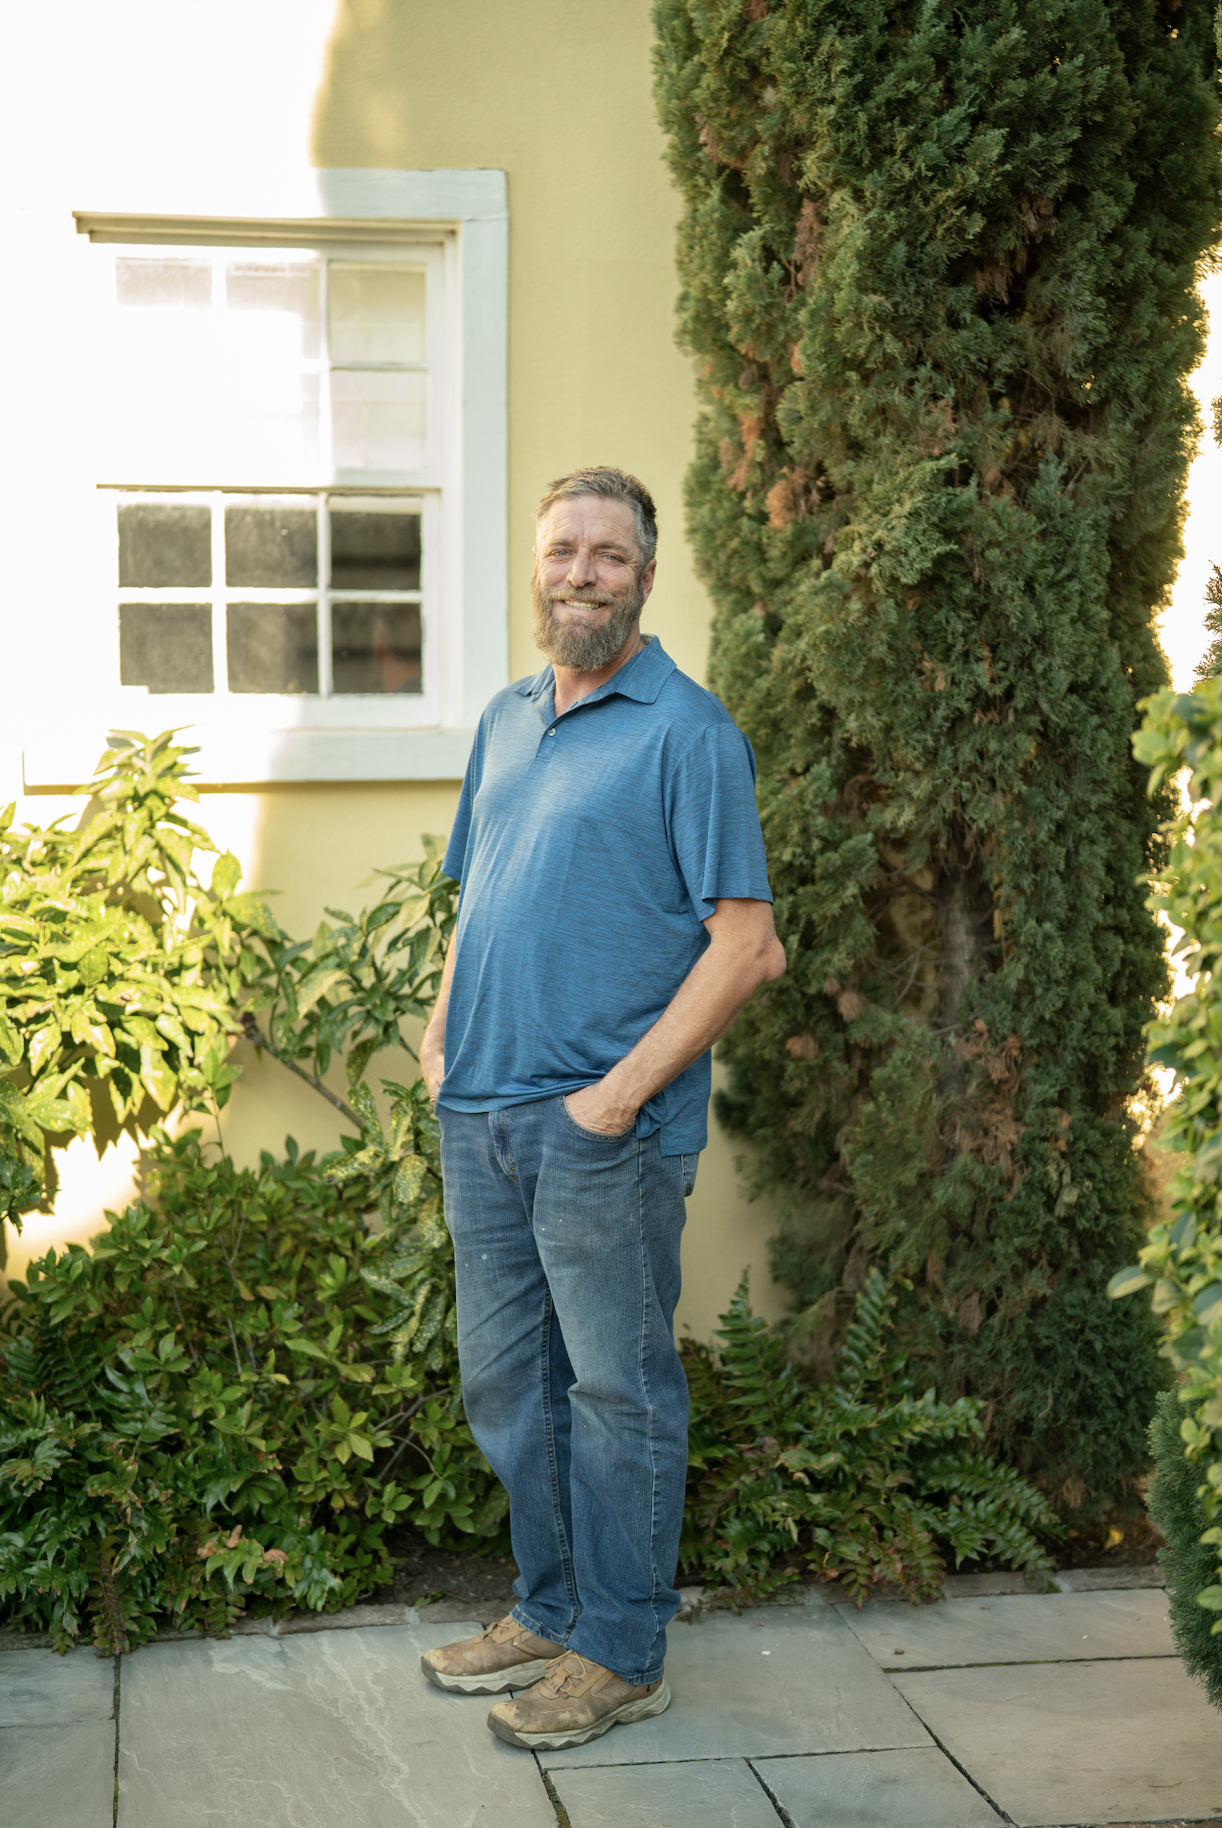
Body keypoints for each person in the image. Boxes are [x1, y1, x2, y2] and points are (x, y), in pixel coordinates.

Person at [418, 466, 784, 1751]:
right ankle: (551, 1606)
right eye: (563, 549)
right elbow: (480, 889)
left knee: (618, 1392)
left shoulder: (689, 732)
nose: (581, 571)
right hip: (482, 1117)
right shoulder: (508, 718)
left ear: (644, 574)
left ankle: (621, 1651)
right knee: (508, 1383)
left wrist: (616, 1098)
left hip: (600, 1137)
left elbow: (746, 946)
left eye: (608, 555)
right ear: (536, 566)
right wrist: (442, 1029)